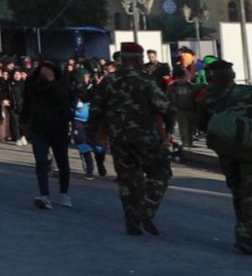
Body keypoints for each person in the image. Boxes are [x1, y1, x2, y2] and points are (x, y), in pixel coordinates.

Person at [88, 42, 174, 236]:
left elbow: (96, 109)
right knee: (160, 173)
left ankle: (132, 223)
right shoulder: (146, 81)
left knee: (128, 180)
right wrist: (167, 131)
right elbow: (166, 108)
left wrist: (93, 134)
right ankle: (146, 210)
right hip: (145, 137)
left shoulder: (108, 81)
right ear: (138, 59)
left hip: (119, 138)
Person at [202, 60, 252, 255]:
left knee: (239, 191)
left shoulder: (207, 96)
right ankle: (246, 234)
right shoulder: (249, 92)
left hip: (227, 151)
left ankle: (248, 233)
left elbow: (203, 124)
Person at [22, 60, 75, 210]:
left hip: (59, 127)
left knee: (62, 161)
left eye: (49, 70)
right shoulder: (32, 83)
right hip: (38, 127)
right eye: (43, 69)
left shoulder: (62, 83)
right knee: (41, 161)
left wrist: (52, 82)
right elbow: (27, 102)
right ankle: (44, 195)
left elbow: (64, 100)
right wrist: (24, 122)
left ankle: (64, 193)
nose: (45, 72)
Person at [166, 68, 199, 152]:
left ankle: (190, 142)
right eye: (178, 78)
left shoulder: (191, 86)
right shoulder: (172, 87)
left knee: (192, 127)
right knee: (183, 127)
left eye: (182, 78)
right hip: (179, 109)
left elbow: (196, 96)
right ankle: (186, 143)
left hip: (191, 108)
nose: (181, 80)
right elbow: (168, 97)